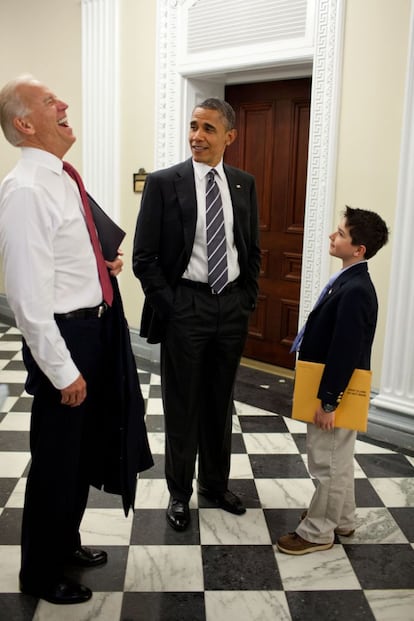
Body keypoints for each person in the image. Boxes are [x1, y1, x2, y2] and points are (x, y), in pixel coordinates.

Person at [0, 75, 153, 604]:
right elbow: (26, 296)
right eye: (49, 102)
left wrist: (99, 266)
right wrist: (64, 371)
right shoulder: (25, 190)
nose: (63, 104)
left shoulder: (62, 177)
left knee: (84, 452)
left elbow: (63, 257)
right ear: (24, 124)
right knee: (56, 462)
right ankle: (38, 574)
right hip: (67, 340)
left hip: (97, 327)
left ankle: (66, 543)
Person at [133, 98, 260, 531]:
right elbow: (144, 257)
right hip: (186, 306)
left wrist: (247, 299)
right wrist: (173, 307)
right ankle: (179, 493)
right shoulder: (165, 183)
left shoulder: (243, 183)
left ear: (229, 136)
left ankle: (215, 484)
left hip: (231, 307)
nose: (196, 136)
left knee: (219, 402)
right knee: (183, 404)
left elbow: (250, 248)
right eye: (193, 126)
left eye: (207, 128)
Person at [277, 206, 389, 555]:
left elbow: (346, 351)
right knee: (339, 456)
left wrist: (328, 402)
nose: (332, 235)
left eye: (340, 233)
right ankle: (342, 517)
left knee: (327, 461)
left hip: (333, 390)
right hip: (330, 386)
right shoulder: (349, 279)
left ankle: (317, 532)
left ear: (359, 250)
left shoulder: (355, 289)